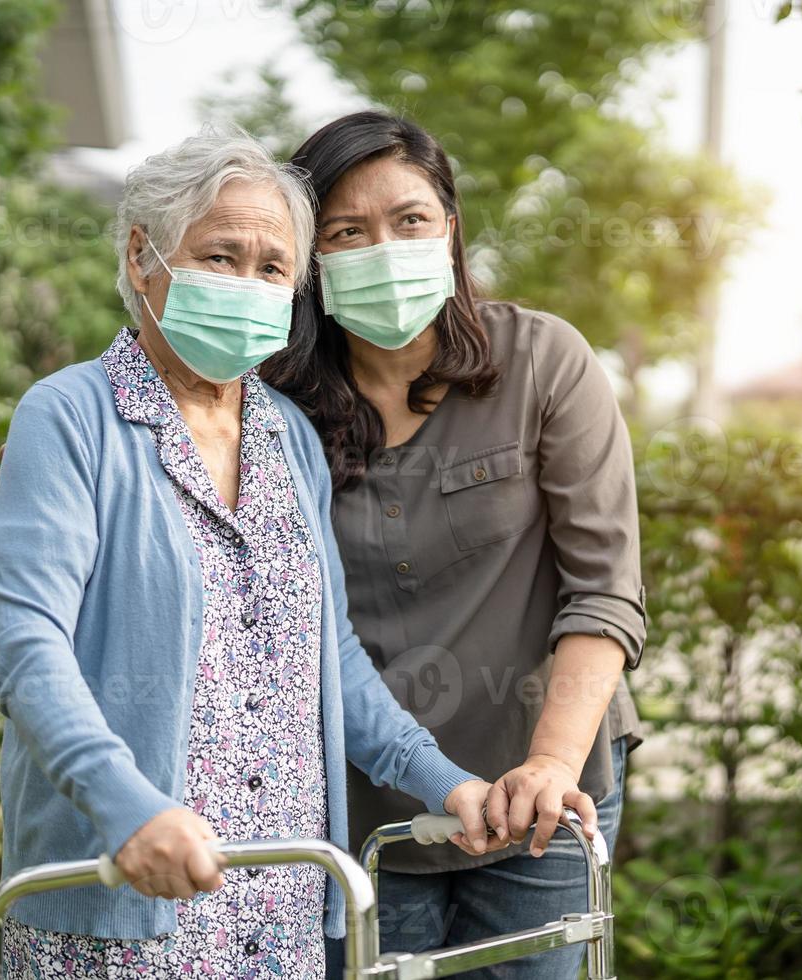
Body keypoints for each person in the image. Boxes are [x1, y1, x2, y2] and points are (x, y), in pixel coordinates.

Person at [0, 130, 506, 980]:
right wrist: (128, 811)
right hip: (124, 902)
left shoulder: (286, 432)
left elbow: (329, 657)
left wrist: (449, 784)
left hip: (282, 909)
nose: (249, 284)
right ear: (141, 257)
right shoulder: (69, 418)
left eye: (272, 269)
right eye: (221, 255)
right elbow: (25, 651)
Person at [262, 111, 645, 979]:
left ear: (450, 228)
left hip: (543, 794)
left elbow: (605, 592)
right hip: (364, 809)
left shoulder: (545, 361)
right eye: (345, 232)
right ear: (309, 260)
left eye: (409, 220)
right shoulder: (267, 409)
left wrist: (548, 763)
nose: (383, 249)